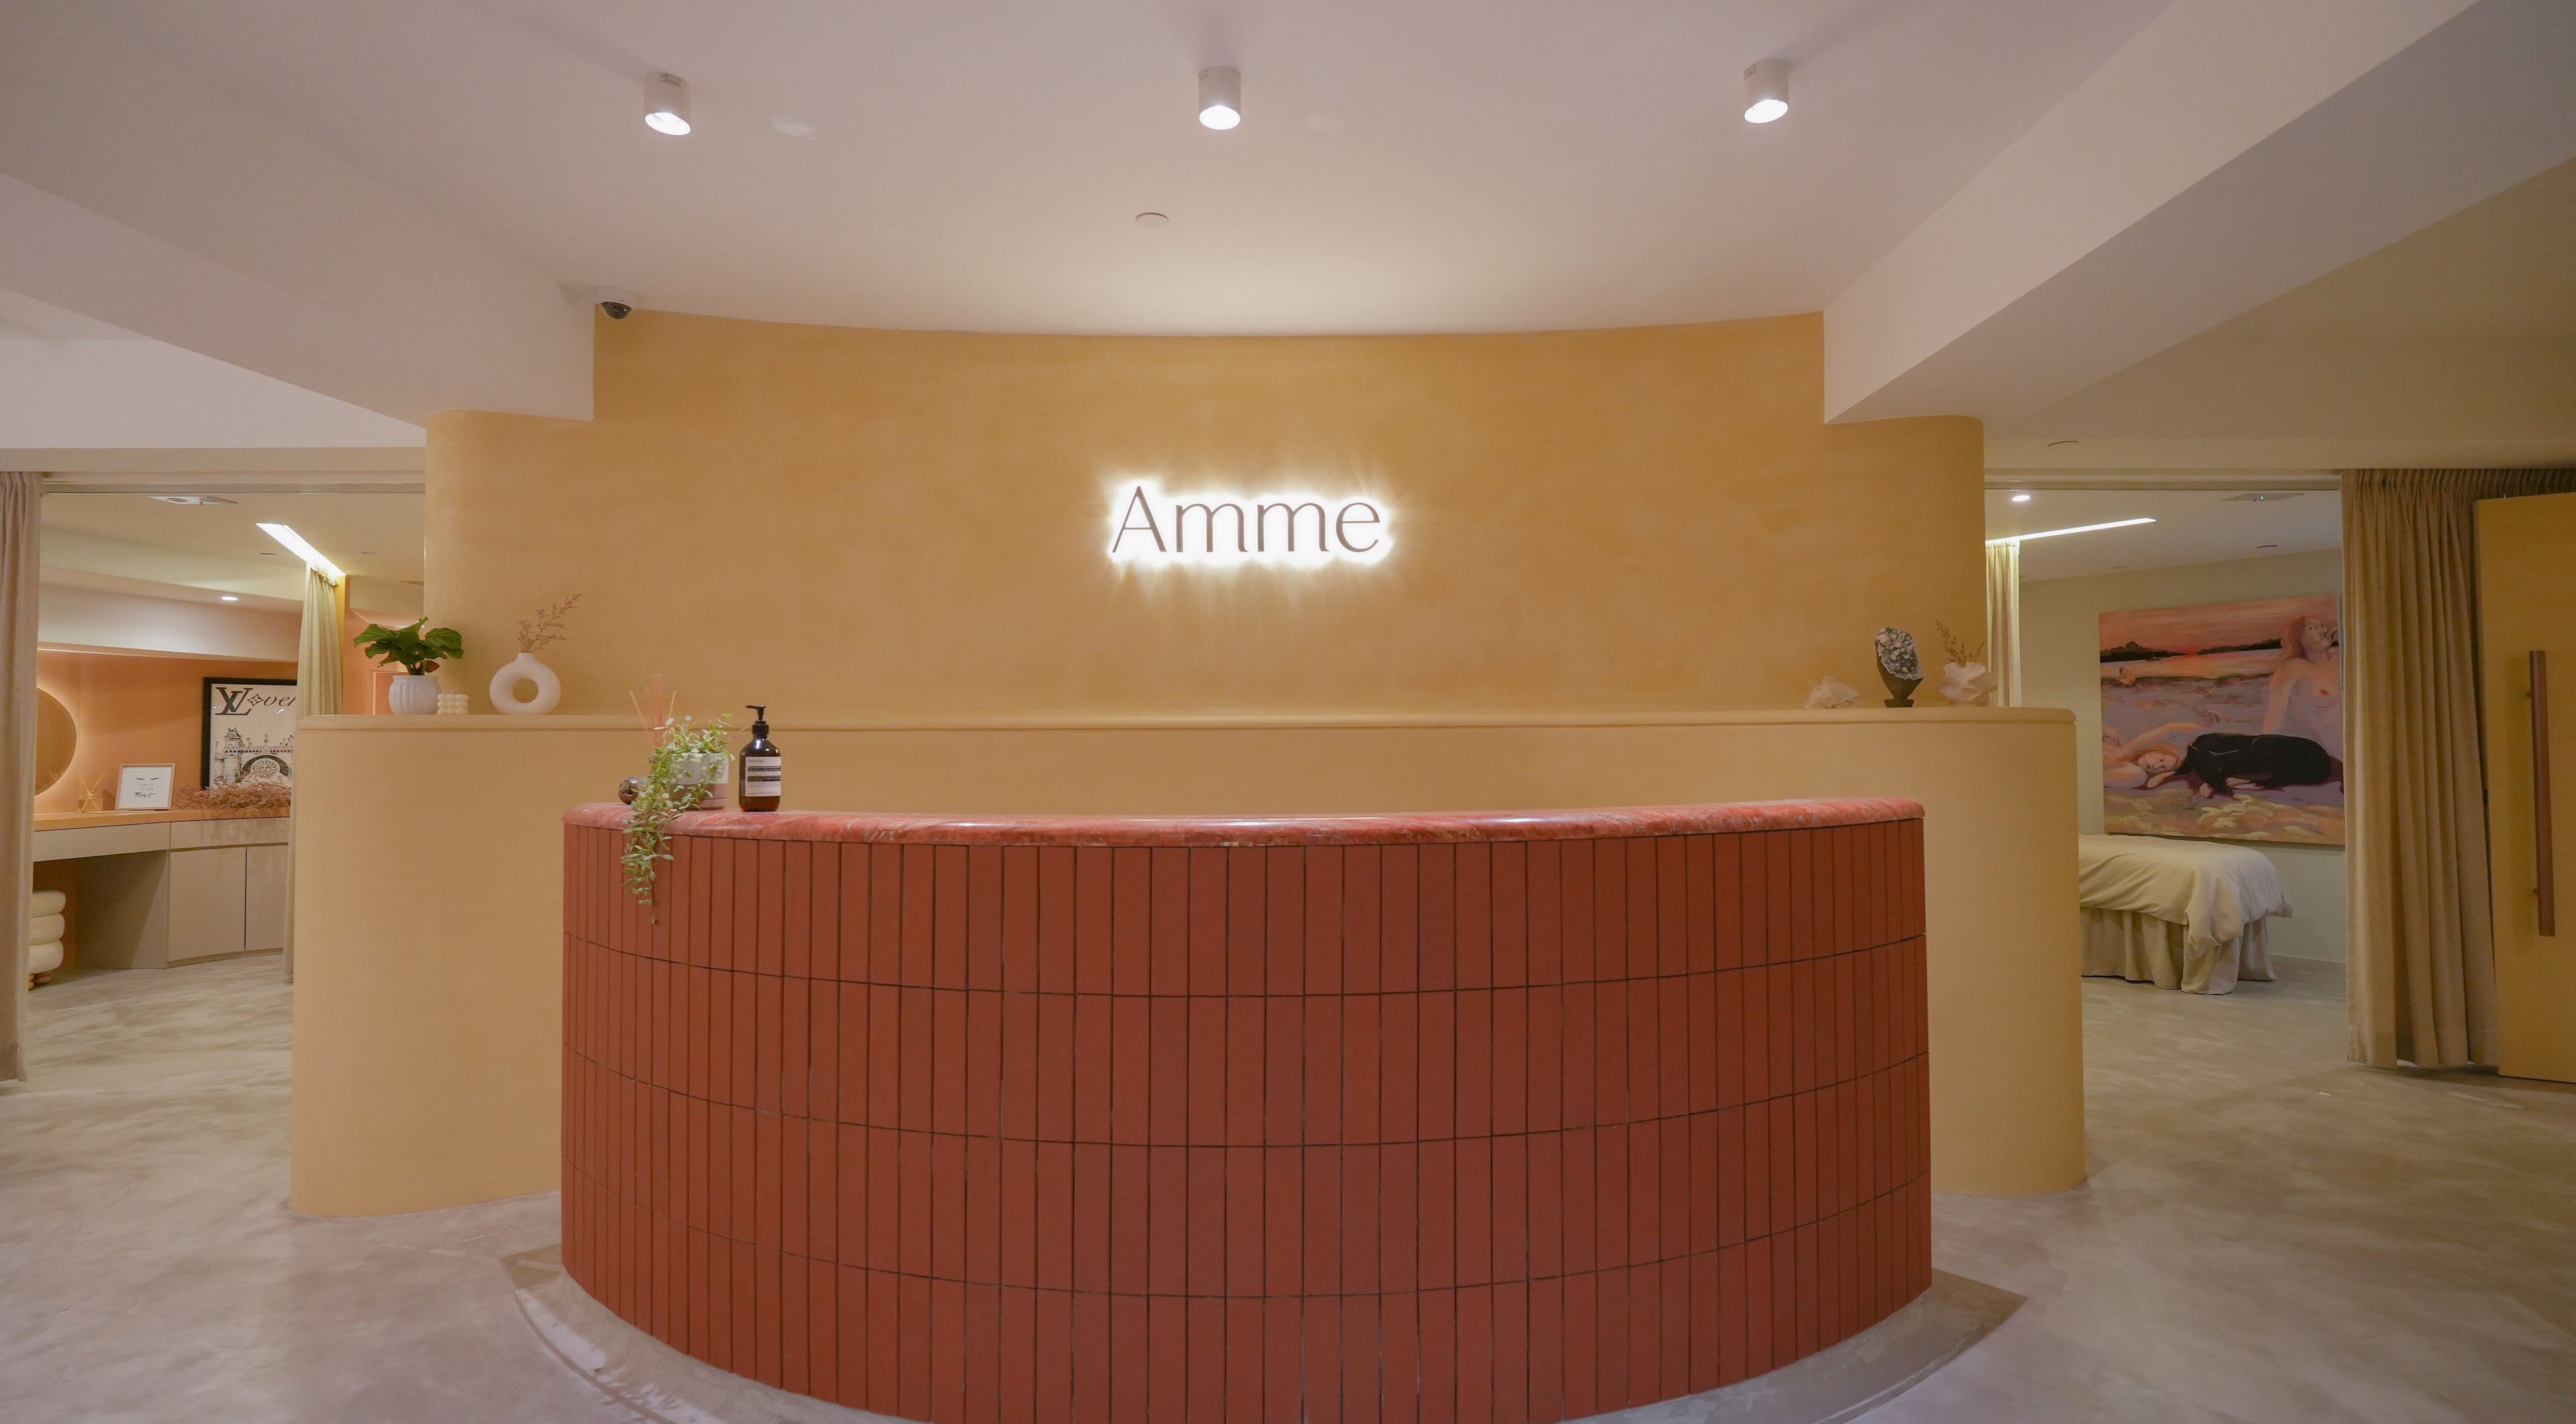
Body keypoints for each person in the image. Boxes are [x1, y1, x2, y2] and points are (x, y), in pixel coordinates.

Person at [2262, 612, 2342, 761]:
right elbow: (2274, 716)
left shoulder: (2342, 659)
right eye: (2312, 628)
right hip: (2337, 754)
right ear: (2299, 639)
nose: (2323, 631)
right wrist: (2266, 755)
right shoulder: (2292, 669)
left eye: (2322, 626)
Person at [2104, 720, 2206, 788]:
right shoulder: (2127, 749)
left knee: (2137, 774)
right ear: (2155, 750)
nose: (2155, 766)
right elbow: (2171, 729)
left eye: (2162, 768)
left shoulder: (2136, 775)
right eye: (2161, 760)